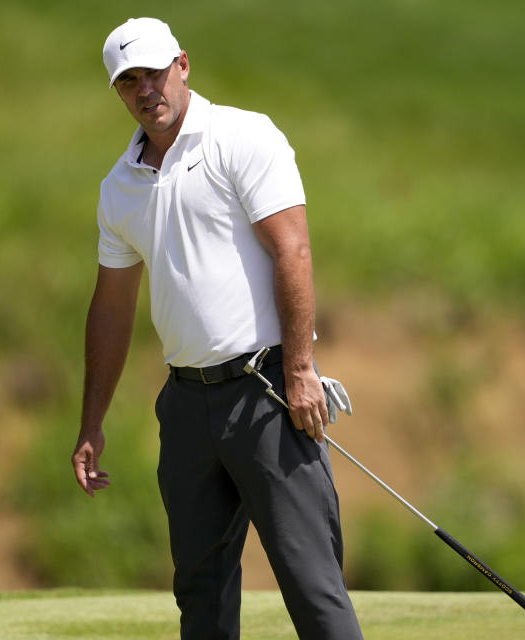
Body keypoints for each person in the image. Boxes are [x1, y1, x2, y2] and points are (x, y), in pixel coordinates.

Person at [71, 17, 364, 640]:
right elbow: (112, 307)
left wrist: (301, 368)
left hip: (266, 395)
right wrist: (92, 420)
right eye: (129, 81)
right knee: (200, 598)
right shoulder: (119, 188)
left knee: (312, 587)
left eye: (154, 72)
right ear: (118, 92)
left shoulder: (242, 136)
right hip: (185, 409)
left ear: (182, 64)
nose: (145, 89)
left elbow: (293, 251)